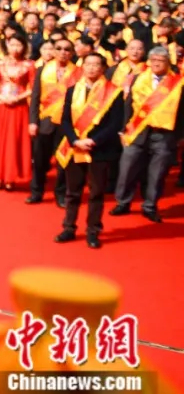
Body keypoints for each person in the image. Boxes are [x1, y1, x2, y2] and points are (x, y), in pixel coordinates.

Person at [55, 53, 124, 249]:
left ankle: (93, 230)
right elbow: (65, 120)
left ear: (103, 68)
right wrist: (75, 140)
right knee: (73, 191)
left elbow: (115, 123)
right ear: (83, 66)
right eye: (88, 64)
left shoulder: (114, 92)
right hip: (75, 147)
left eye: (96, 65)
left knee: (96, 192)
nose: (92, 68)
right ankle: (69, 227)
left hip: (99, 149)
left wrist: (93, 140)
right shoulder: (72, 91)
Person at [109, 46, 183, 223]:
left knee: (157, 173)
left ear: (168, 63)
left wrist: (179, 136)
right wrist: (123, 128)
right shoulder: (137, 79)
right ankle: (123, 202)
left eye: (161, 61)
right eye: (154, 60)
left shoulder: (178, 83)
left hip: (164, 134)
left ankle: (150, 205)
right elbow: (127, 105)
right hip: (136, 131)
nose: (157, 64)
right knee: (127, 168)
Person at [27, 37, 79, 206]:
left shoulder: (78, 72)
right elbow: (35, 97)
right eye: (59, 48)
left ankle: (61, 194)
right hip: (45, 121)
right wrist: (33, 121)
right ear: (54, 51)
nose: (63, 52)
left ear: (72, 53)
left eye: (67, 49)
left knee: (63, 161)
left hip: (67, 123)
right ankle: (36, 192)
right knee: (39, 160)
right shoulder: (42, 70)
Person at [0, 33, 34, 190]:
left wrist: (18, 98)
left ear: (24, 47)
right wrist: (0, 97)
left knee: (14, 140)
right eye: (12, 45)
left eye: (19, 45)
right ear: (7, 46)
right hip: (0, 105)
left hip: (19, 106)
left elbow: (33, 87)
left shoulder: (29, 65)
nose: (15, 49)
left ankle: (10, 177)